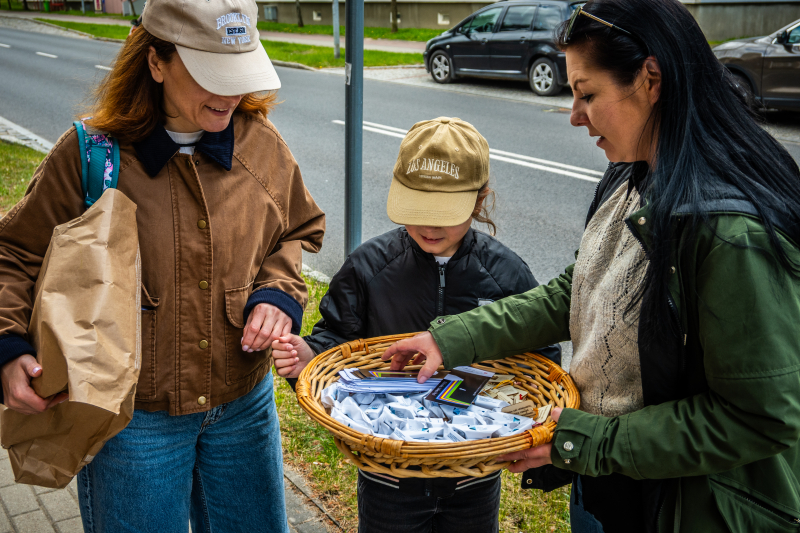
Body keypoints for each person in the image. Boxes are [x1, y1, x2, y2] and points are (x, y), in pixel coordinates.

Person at [382, 1, 800, 532]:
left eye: (588, 94)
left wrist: (590, 441)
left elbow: (758, 417)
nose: (574, 114)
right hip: (605, 477)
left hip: (683, 508)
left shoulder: (731, 232)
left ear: (650, 79)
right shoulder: (632, 173)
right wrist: (453, 339)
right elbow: (578, 290)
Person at [0, 0, 325, 531]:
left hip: (244, 410)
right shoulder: (91, 156)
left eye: (239, 73)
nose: (230, 94)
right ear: (156, 62)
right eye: (210, 74)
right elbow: (12, 254)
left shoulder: (261, 145)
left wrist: (278, 293)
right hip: (133, 422)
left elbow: (295, 231)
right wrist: (9, 346)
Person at [272, 117, 561, 533]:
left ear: (478, 201)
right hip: (389, 475)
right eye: (418, 209)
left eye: (445, 213)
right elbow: (337, 339)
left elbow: (540, 355)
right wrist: (309, 357)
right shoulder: (368, 267)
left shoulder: (506, 274)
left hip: (474, 475)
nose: (430, 226)